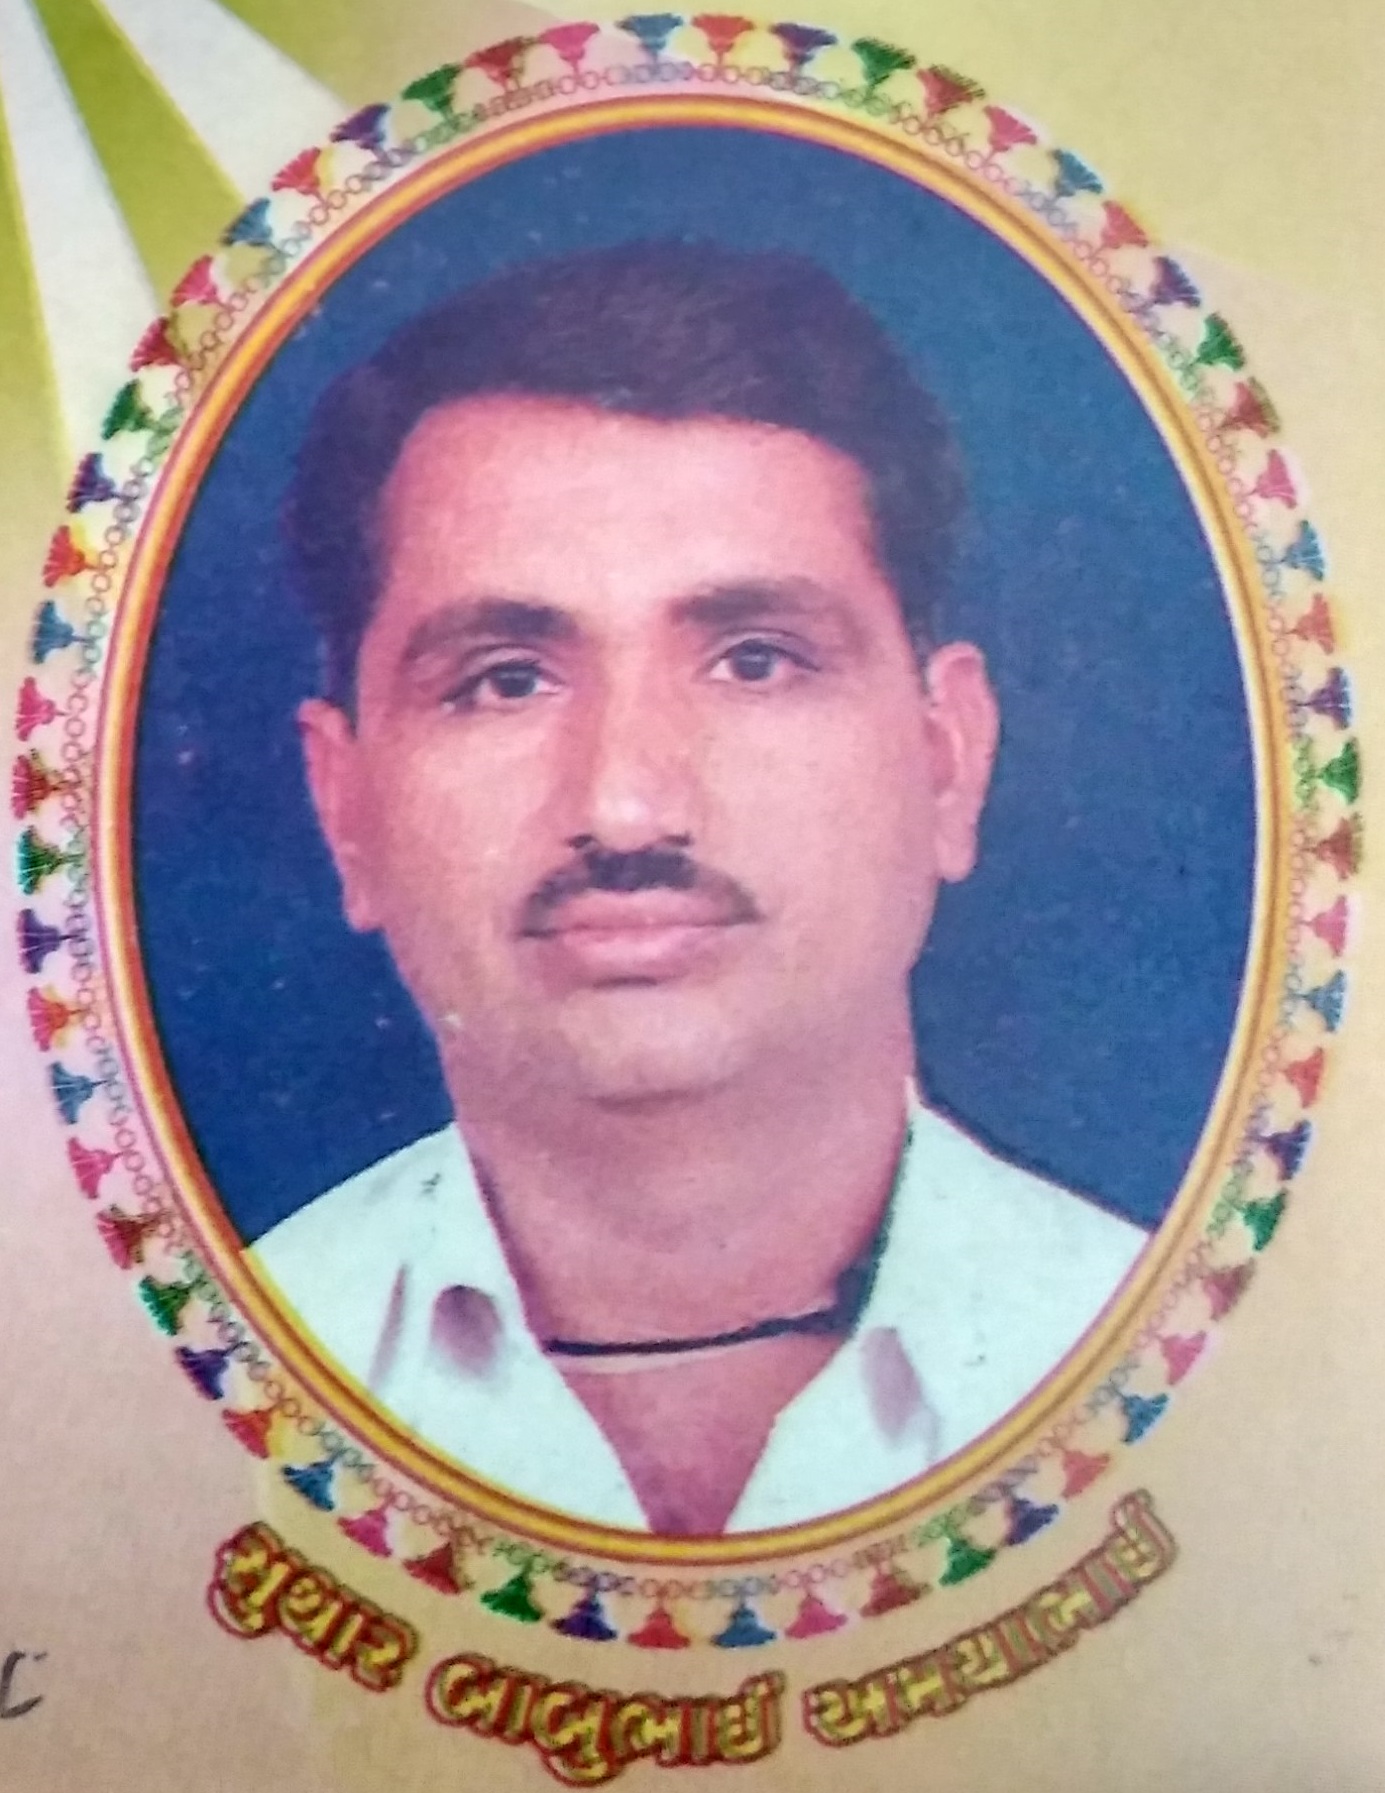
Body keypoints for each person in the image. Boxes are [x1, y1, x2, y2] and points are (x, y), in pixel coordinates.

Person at [248, 242, 1146, 1536]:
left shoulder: (1207, 1361)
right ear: (346, 811)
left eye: (756, 660)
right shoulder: (164, 1393)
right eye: (506, 679)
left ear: (947, 762)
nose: (625, 805)